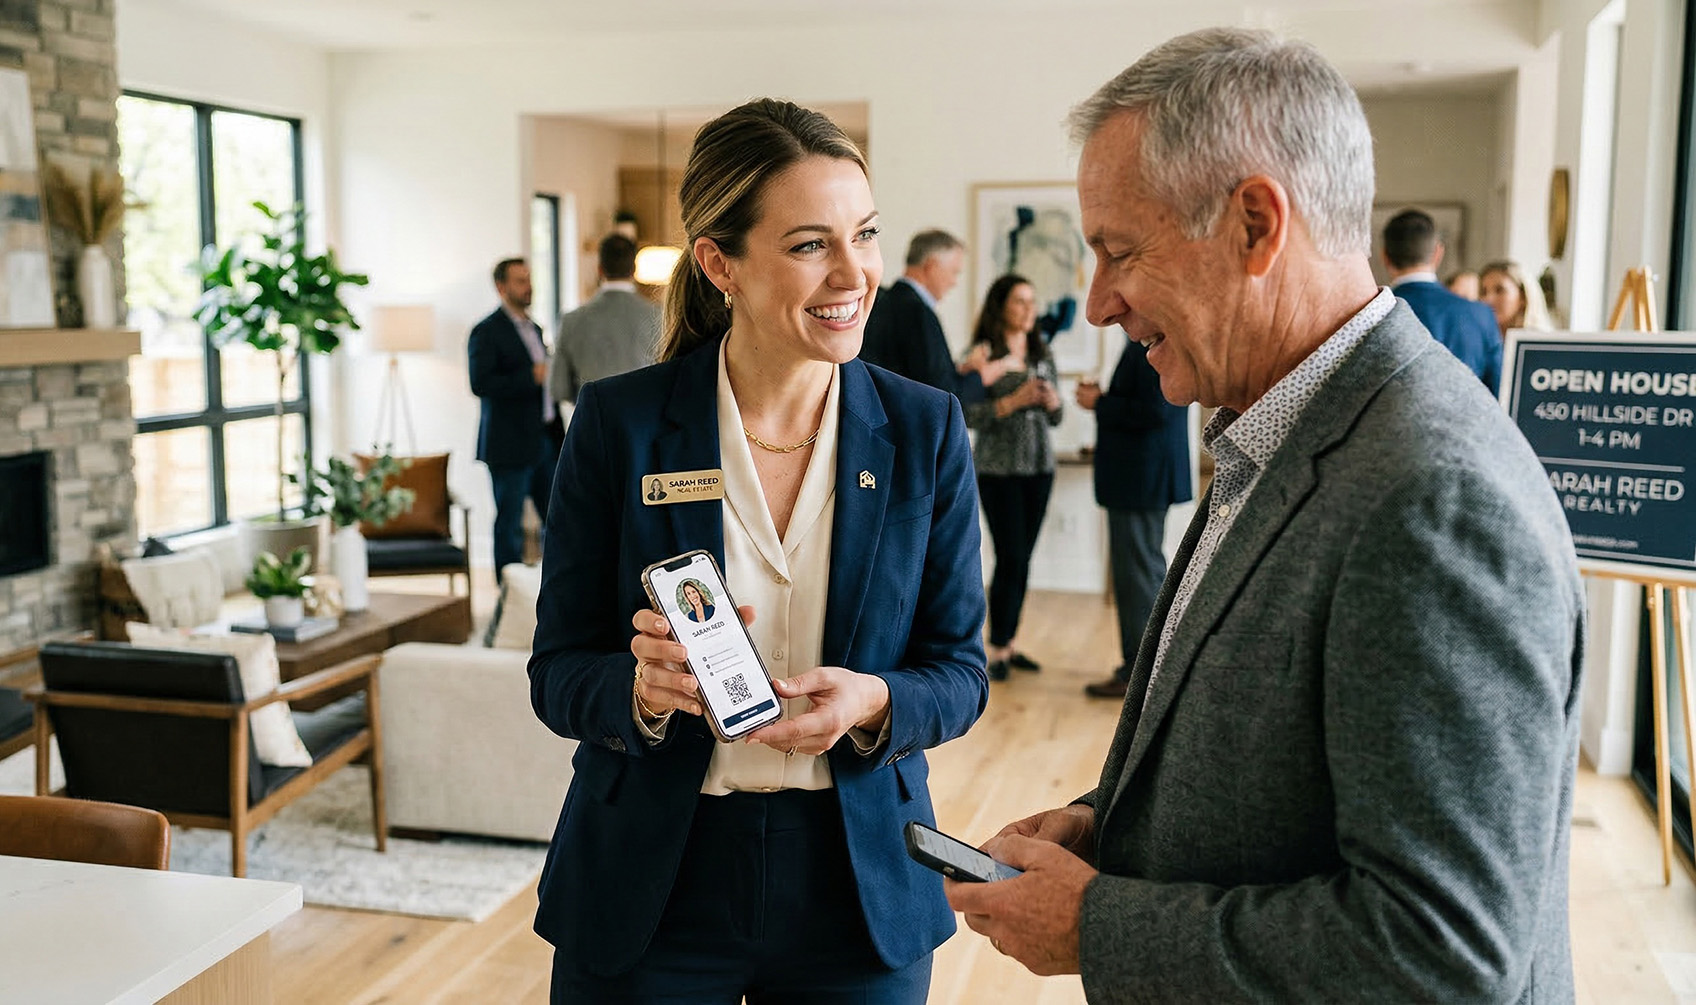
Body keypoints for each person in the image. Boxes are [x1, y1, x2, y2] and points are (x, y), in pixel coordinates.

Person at [946, 28, 1585, 1004]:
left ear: (1253, 224)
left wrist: (1097, 924)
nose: (1103, 302)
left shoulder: (1432, 502)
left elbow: (1441, 955)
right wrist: (1104, 822)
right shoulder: (1276, 428)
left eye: (1120, 251)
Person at [529, 98, 988, 1003]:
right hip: (651, 883)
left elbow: (962, 670)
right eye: (811, 244)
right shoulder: (619, 426)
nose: (855, 273)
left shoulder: (924, 427)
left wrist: (876, 700)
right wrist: (639, 691)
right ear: (718, 262)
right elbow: (556, 670)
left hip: (857, 886)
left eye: (865, 234)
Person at [1075, 334, 1192, 700]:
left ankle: (1139, 677)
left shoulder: (1154, 343)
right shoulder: (1159, 337)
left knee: (1138, 580)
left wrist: (1100, 403)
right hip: (1143, 479)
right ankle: (1147, 671)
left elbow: (1155, 410)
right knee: (1143, 575)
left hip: (1140, 481)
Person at [964, 273, 1063, 681]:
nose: (1028, 309)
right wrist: (1013, 401)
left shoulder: (1043, 353)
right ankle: (995, 647)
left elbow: (1056, 418)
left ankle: (1009, 642)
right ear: (1001, 305)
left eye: (1032, 301)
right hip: (998, 469)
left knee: (1022, 560)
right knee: (1011, 557)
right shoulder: (982, 353)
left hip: (1039, 468)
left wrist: (1052, 402)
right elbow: (966, 412)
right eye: (1020, 301)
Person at [468, 257, 556, 580]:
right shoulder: (486, 332)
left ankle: (551, 587)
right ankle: (507, 591)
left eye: (529, 279)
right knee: (510, 523)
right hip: (508, 444)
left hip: (544, 438)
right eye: (520, 280)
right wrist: (529, 376)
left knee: (558, 518)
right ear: (501, 287)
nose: (528, 286)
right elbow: (480, 384)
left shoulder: (534, 328)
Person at [859, 229, 1012, 402]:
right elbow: (941, 394)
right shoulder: (918, 313)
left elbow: (915, 373)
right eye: (954, 272)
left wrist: (958, 371)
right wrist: (981, 378)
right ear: (931, 267)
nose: (954, 282)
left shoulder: (878, 301)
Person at [1382, 209, 1503, 393]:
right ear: (1438, 253)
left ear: (1385, 257)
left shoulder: (1373, 314)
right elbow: (1498, 391)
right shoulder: (1481, 315)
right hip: (1468, 420)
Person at [549, 233, 661, 411]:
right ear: (633, 269)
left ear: (599, 269)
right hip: (645, 423)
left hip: (591, 422)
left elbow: (558, 389)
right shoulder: (660, 316)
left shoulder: (571, 320)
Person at [1481, 259, 1554, 337]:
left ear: (1523, 297)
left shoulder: (1541, 342)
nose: (1488, 299)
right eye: (1484, 292)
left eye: (1500, 290)